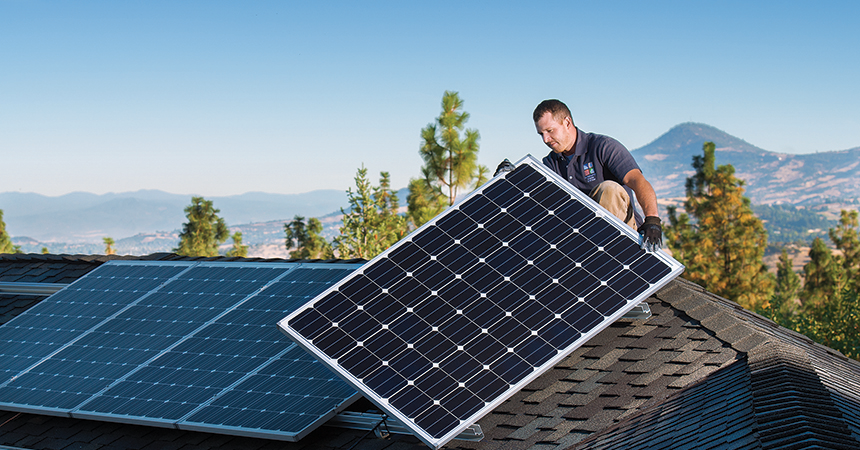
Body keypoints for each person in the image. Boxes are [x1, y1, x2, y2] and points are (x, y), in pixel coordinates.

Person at [495, 99, 662, 251]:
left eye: (550, 131)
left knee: (609, 189)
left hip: (624, 237)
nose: (546, 139)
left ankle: (614, 251)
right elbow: (535, 201)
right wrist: (511, 180)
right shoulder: (551, 163)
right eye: (541, 134)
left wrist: (652, 220)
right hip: (581, 240)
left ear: (567, 122)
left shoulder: (603, 147)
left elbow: (638, 181)